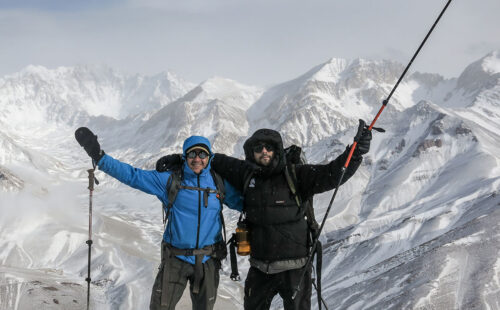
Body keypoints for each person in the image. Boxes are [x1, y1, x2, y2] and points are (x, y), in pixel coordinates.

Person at [206, 123, 372, 310]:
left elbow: (331, 174)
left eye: (269, 147)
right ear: (251, 152)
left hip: (296, 270)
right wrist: (183, 158)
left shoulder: (296, 174)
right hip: (260, 268)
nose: (264, 151)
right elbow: (214, 160)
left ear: (277, 150)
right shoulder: (245, 174)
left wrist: (356, 152)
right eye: (259, 148)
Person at [74, 127, 243, 310]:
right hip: (175, 259)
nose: (197, 159)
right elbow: (133, 176)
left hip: (208, 260)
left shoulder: (218, 183)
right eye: (192, 153)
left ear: (209, 157)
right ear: (185, 157)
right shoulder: (170, 181)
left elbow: (247, 204)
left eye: (202, 154)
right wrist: (100, 158)